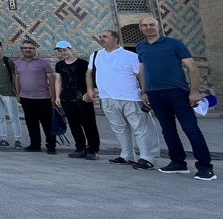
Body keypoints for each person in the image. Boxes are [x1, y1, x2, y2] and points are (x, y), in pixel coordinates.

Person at [137, 16, 214, 180]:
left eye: (152, 25)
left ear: (158, 26)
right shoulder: (141, 46)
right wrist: (144, 91)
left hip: (177, 92)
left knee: (191, 129)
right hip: (155, 94)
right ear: (140, 28)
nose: (149, 28)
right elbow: (143, 69)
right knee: (168, 130)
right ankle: (178, 162)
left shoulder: (174, 44)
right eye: (145, 25)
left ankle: (205, 167)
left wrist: (194, 92)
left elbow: (192, 67)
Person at [85, 29, 159, 170]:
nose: (101, 39)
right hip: (107, 98)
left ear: (115, 39)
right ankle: (127, 155)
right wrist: (89, 90)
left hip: (130, 98)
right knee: (119, 128)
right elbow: (89, 73)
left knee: (141, 128)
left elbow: (141, 75)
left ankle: (147, 157)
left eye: (105, 36)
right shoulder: (95, 55)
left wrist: (144, 92)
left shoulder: (130, 56)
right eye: (101, 36)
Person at [53, 41, 98, 160]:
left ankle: (93, 150)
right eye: (60, 51)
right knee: (74, 124)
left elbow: (91, 78)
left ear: (70, 49)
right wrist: (57, 96)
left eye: (65, 50)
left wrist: (90, 92)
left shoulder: (83, 63)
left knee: (89, 124)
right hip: (67, 97)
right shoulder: (59, 65)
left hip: (82, 97)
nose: (63, 53)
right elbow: (58, 80)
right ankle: (80, 148)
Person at [15, 39, 56, 154]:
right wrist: (18, 94)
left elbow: (51, 80)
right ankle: (35, 144)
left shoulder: (43, 63)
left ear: (35, 49)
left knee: (47, 123)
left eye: (30, 48)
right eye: (24, 48)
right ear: (22, 49)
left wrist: (53, 96)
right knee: (31, 122)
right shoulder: (18, 63)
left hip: (43, 98)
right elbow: (17, 79)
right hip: (26, 98)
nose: (27, 50)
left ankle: (51, 146)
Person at [0, 39, 23, 149]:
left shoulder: (8, 61)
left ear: (1, 47)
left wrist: (17, 92)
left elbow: (14, 77)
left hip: (8, 91)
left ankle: (18, 140)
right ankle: (4, 139)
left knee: (13, 117)